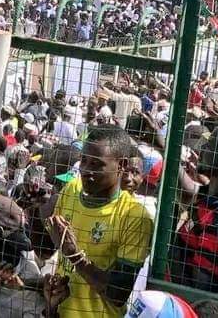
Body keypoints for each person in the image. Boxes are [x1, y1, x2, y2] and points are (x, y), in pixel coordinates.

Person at [45, 124, 153, 317]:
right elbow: (45, 250)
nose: (85, 170)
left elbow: (118, 294)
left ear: (121, 165)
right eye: (83, 161)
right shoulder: (71, 190)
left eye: (96, 164)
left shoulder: (135, 216)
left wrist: (75, 255)